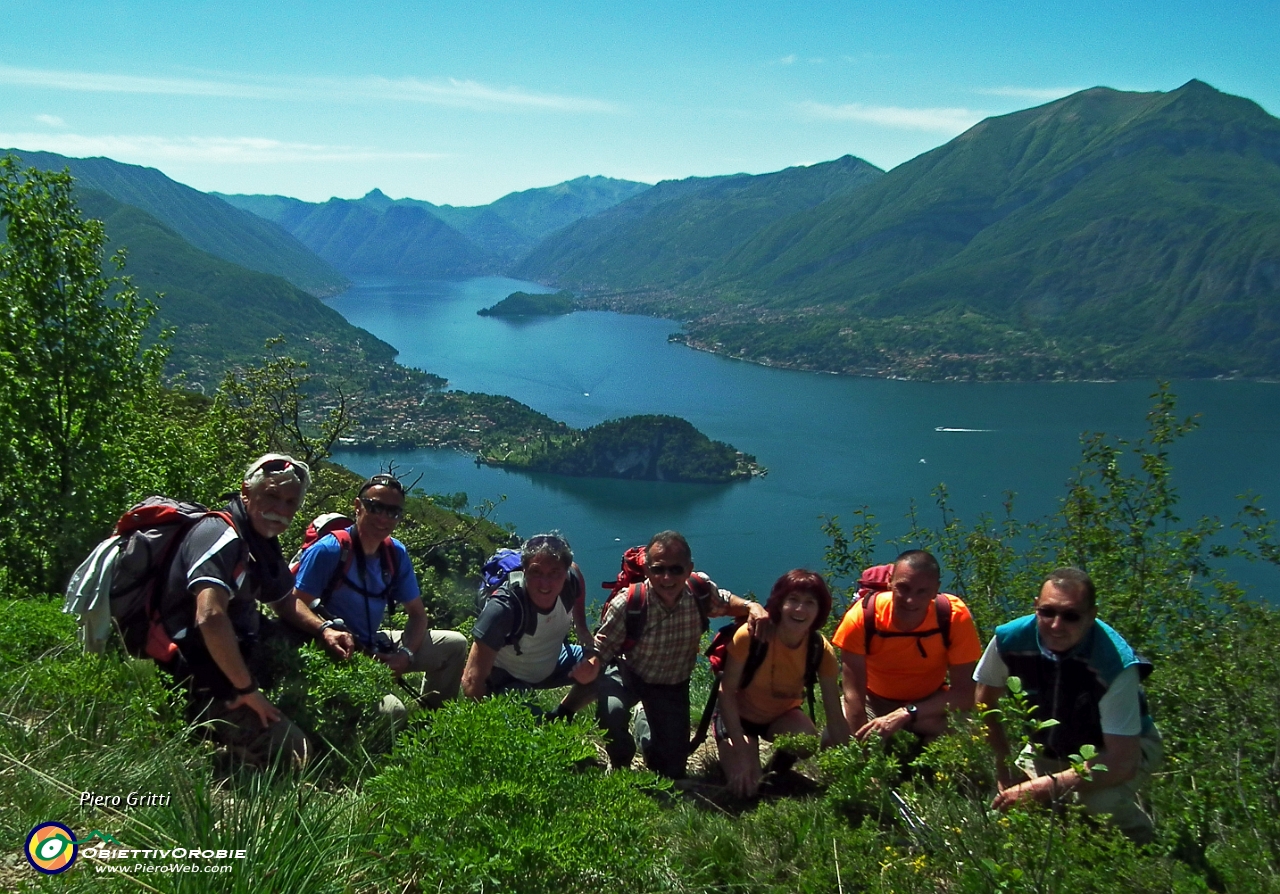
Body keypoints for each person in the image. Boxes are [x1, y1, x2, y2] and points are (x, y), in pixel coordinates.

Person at [159, 453, 353, 767]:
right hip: (196, 677)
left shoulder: (260, 540)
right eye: (272, 496)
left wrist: (323, 629)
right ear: (246, 492)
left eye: (290, 503)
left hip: (230, 663)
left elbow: (285, 600)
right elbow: (210, 616)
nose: (280, 509)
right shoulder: (220, 536)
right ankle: (217, 763)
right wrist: (247, 689)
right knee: (297, 754)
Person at [975, 567, 1162, 842]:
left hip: (1120, 748)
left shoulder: (1114, 664)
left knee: (1097, 803)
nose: (1056, 625)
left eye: (1070, 616)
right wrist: (1003, 767)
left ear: (1091, 616)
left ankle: (1150, 854)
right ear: (1035, 607)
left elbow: (1121, 761)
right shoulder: (1010, 639)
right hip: (1050, 746)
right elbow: (984, 702)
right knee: (1003, 808)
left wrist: (1043, 787)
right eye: (1047, 612)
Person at [582, 530, 768, 779]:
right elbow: (603, 647)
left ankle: (644, 725)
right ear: (647, 569)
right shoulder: (628, 603)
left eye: (676, 569)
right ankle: (620, 759)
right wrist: (591, 665)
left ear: (689, 568)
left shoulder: (699, 591)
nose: (666, 577)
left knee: (670, 770)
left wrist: (751, 606)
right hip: (629, 674)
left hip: (671, 684)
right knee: (612, 711)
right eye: (658, 570)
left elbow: (724, 601)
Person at [290, 473, 468, 711]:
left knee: (455, 645)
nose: (383, 518)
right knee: (393, 711)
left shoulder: (394, 553)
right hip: (337, 649)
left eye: (393, 512)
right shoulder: (330, 551)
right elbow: (295, 603)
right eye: (375, 507)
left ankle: (432, 719)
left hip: (373, 642)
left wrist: (405, 654)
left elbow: (417, 614)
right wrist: (325, 630)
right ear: (357, 506)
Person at [717, 569, 850, 798]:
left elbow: (834, 715)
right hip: (737, 717)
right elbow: (726, 692)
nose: (800, 609)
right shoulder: (751, 636)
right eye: (793, 600)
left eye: (810, 602)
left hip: (780, 717)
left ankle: (775, 770)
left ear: (819, 610)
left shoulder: (820, 649)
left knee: (807, 742)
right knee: (746, 789)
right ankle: (748, 762)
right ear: (779, 604)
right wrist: (739, 747)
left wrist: (849, 764)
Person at [832, 549, 982, 741]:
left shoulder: (953, 617)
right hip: (874, 702)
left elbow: (965, 693)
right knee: (834, 736)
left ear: (936, 590)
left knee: (970, 734)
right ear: (890, 583)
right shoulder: (862, 617)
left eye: (922, 591)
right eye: (903, 588)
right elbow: (853, 697)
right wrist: (863, 747)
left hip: (928, 703)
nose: (911, 600)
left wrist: (907, 713)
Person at [461, 532, 598, 716]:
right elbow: (471, 679)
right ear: (523, 570)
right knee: (534, 729)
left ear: (565, 573)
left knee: (608, 663)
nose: (545, 583)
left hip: (552, 661)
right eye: (536, 572)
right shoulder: (504, 608)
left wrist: (587, 644)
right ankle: (540, 719)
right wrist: (482, 726)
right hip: (510, 679)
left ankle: (561, 715)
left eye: (554, 573)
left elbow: (576, 572)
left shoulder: (571, 580)